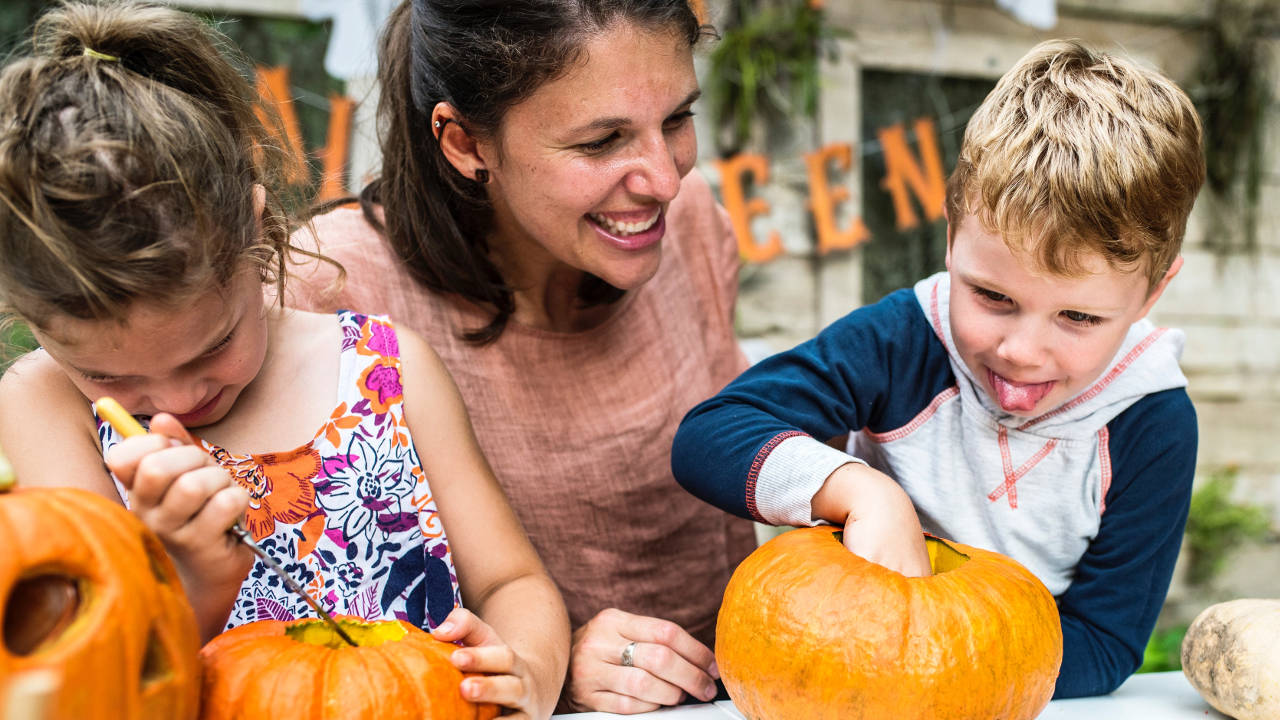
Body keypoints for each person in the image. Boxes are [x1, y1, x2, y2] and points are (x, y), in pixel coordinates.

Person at [0, 3, 567, 717]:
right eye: (109, 377)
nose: (173, 401)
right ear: (32, 326)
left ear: (259, 233)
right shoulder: (47, 410)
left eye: (212, 346)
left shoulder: (385, 371)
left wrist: (528, 669)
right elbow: (94, 679)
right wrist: (198, 574)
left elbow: (513, 582)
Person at [671, 39, 1205, 699]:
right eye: (993, 297)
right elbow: (712, 434)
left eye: (1079, 319)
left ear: (1151, 295)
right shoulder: (903, 341)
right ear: (951, 239)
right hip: (841, 674)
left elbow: (1104, 642)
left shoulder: (1152, 422)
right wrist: (863, 490)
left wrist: (934, 668)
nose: (1021, 351)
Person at [287, 0, 756, 712]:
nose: (664, 180)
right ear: (466, 143)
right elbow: (300, 637)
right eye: (602, 141)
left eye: (677, 120)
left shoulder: (691, 225)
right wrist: (546, 663)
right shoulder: (331, 292)